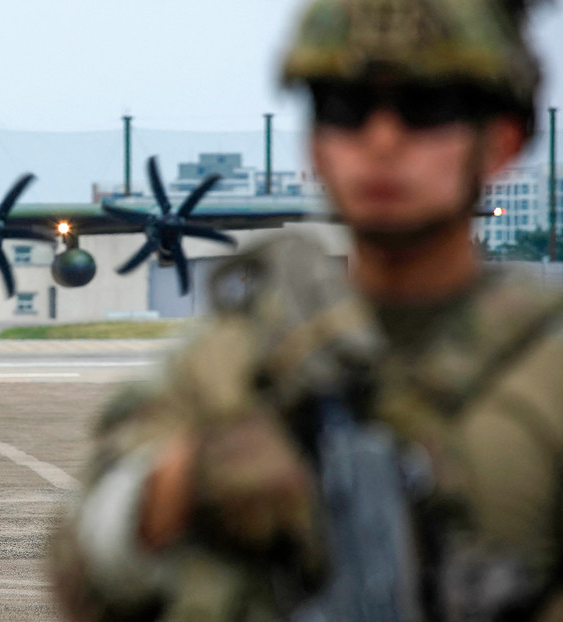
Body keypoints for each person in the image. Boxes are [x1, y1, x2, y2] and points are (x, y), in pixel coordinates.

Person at [50, 0, 563, 620]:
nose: (382, 140)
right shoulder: (217, 367)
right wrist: (178, 482)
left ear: (502, 142)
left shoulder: (547, 364)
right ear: (315, 146)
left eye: (427, 107)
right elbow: (79, 574)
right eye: (343, 109)